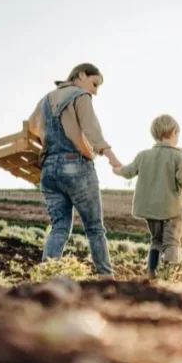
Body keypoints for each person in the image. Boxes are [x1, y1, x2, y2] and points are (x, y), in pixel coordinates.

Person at [28, 63, 122, 279]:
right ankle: (106, 279)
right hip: (75, 165)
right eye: (94, 83)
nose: (95, 91)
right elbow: (93, 132)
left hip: (49, 169)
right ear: (81, 75)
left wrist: (48, 138)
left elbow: (32, 127)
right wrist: (113, 160)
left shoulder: (46, 99)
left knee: (59, 227)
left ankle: (46, 277)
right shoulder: (80, 96)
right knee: (95, 229)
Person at [114, 114, 182, 279]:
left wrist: (117, 169)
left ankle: (152, 271)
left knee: (156, 240)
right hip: (172, 209)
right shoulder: (178, 156)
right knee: (171, 241)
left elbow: (127, 172)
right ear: (173, 133)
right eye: (177, 134)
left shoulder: (143, 155)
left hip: (150, 209)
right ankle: (169, 272)